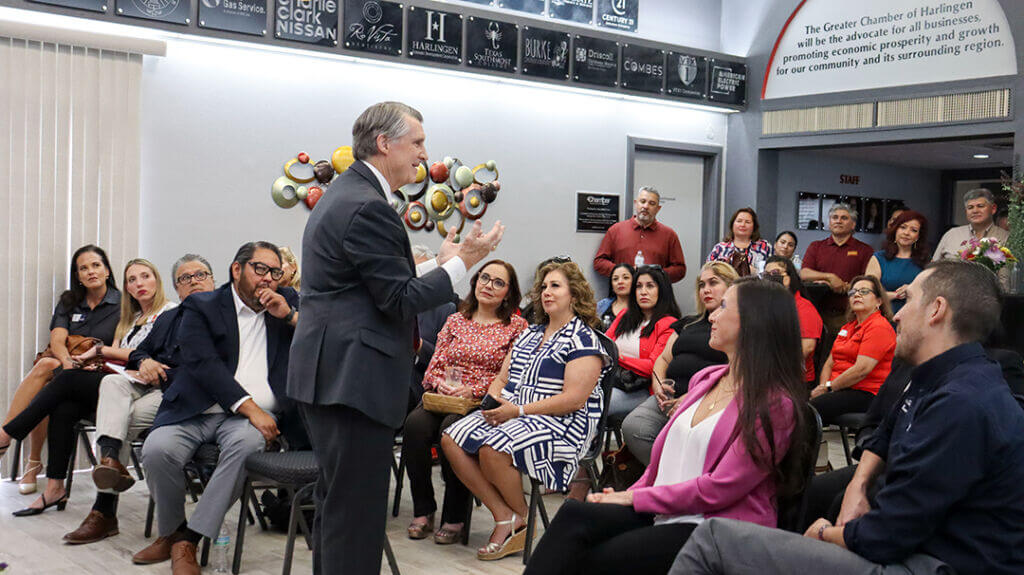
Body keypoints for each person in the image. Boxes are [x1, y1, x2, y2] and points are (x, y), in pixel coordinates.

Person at [673, 261, 1024, 575]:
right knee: (810, 503)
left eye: (909, 301)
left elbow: (887, 535)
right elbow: (885, 432)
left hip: (933, 562)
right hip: (914, 544)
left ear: (936, 310)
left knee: (714, 540)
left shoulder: (961, 404)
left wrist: (825, 535)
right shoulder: (940, 376)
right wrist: (858, 484)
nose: (897, 314)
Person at [286, 101, 503, 575]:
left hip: (332, 373)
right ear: (385, 143)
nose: (425, 154)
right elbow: (399, 299)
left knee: (339, 508)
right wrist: (465, 262)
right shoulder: (368, 206)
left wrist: (441, 264)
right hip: (353, 380)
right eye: (418, 142)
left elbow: (366, 286)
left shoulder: (347, 195)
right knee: (356, 516)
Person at [524, 277, 807, 575]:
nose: (712, 314)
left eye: (723, 306)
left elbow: (719, 489)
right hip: (668, 511)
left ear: (754, 321)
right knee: (575, 514)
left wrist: (633, 497)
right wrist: (627, 494)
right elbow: (662, 464)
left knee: (597, 557)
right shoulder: (707, 379)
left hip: (717, 528)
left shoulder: (775, 404)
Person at [139, 242, 299, 575]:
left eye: (275, 272)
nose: (268, 279)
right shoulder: (202, 305)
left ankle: (189, 540)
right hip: (197, 409)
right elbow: (203, 363)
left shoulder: (288, 304)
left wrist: (290, 316)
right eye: (260, 269)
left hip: (245, 426)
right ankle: (172, 531)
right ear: (237, 269)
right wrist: (251, 408)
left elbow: (321, 340)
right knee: (157, 450)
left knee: (247, 446)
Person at [442, 261, 611, 561]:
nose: (546, 292)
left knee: (492, 448)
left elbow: (573, 400)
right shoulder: (530, 334)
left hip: (560, 424)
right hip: (513, 413)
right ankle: (507, 516)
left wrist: (518, 411)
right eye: (544, 286)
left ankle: (519, 520)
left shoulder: (584, 339)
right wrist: (492, 404)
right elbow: (503, 378)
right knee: (451, 437)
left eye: (555, 286)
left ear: (575, 294)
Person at [60, 255, 216, 546]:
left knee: (118, 420)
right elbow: (141, 351)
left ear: (214, 281)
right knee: (112, 382)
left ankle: (104, 509)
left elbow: (213, 369)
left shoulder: (226, 318)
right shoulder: (171, 317)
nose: (194, 282)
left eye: (201, 275)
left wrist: (165, 371)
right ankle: (109, 462)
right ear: (177, 289)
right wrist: (145, 361)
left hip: (191, 397)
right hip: (159, 389)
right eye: (185, 278)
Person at [0, 258, 174, 515]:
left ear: (157, 280)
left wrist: (101, 350)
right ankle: (55, 488)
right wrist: (97, 359)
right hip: (118, 381)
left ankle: (5, 436)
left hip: (143, 389)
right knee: (64, 406)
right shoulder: (131, 317)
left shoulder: (170, 313)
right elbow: (118, 355)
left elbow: (147, 356)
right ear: (126, 287)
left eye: (145, 276)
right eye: (132, 280)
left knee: (67, 379)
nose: (139, 284)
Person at [403, 260, 527, 544]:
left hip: (483, 401)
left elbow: (512, 375)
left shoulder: (516, 327)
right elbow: (435, 363)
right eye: (484, 278)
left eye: (498, 282)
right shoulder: (456, 319)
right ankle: (424, 510)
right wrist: (441, 383)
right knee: (414, 427)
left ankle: (455, 516)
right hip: (445, 394)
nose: (488, 285)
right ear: (474, 282)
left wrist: (474, 391)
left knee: (451, 432)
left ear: (508, 293)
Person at [0, 245, 121, 495]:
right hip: (64, 366)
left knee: (47, 370)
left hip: (96, 373)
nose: (90, 272)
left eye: (96, 265)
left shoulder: (123, 303)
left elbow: (118, 347)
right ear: (77, 276)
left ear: (107, 270)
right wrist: (67, 362)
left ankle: (6, 439)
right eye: (83, 268)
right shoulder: (69, 301)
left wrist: (77, 364)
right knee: (48, 370)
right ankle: (33, 462)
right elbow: (57, 340)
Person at [621, 262, 735, 465]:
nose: (706, 289)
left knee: (684, 437)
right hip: (668, 397)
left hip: (706, 400)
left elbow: (732, 372)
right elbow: (663, 359)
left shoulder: (735, 326)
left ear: (731, 287)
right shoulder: (688, 323)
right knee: (633, 427)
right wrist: (659, 387)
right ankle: (669, 478)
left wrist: (691, 398)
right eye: (701, 285)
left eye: (713, 283)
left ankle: (681, 482)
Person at [810, 275, 895, 426]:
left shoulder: (879, 327)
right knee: (796, 404)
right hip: (839, 389)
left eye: (864, 291)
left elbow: (861, 370)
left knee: (808, 411)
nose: (856, 295)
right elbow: (830, 363)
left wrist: (829, 388)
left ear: (879, 301)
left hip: (867, 394)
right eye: (852, 292)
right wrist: (823, 387)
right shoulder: (847, 327)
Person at [605, 265, 680, 423]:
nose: (643, 292)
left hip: (641, 390)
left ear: (662, 290)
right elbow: (604, 343)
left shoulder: (668, 324)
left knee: (595, 403)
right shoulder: (625, 315)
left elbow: (653, 366)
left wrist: (617, 356)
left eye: (650, 286)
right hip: (612, 380)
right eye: (638, 286)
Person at [800, 203, 874, 333]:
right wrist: (830, 277)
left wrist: (845, 287)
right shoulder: (816, 246)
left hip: (850, 315)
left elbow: (869, 282)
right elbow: (804, 273)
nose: (838, 221)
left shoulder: (865, 250)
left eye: (844, 218)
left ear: (853, 225)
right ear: (829, 223)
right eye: (834, 217)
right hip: (817, 313)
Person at [593, 186, 686, 283]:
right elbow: (599, 262)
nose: (646, 206)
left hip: (655, 295)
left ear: (658, 209)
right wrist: (623, 272)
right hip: (622, 295)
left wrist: (657, 274)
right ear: (635, 203)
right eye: (642, 201)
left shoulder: (669, 235)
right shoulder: (615, 230)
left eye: (652, 203)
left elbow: (680, 270)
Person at [409, 245, 458, 413]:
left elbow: (447, 361)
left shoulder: (446, 309)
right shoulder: (390, 303)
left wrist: (419, 345)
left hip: (418, 379)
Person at [765, 255, 822, 384]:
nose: (771, 278)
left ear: (789, 277)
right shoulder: (766, 304)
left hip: (791, 377)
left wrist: (773, 369)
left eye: (775, 273)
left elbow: (806, 348)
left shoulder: (804, 307)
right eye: (766, 274)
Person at [866, 210, 929, 314]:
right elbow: (867, 291)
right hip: (882, 317)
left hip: (914, 318)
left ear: (918, 236)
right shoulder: (879, 258)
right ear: (895, 229)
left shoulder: (926, 261)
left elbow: (933, 292)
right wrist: (895, 295)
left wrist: (912, 289)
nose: (906, 233)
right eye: (903, 227)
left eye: (913, 230)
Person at [933, 188, 1009, 261]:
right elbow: (932, 268)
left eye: (980, 206)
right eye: (970, 207)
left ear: (993, 209)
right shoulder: (951, 235)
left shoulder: (1005, 237)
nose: (975, 211)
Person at [705, 208, 772, 276]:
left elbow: (772, 272)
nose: (743, 225)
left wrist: (756, 272)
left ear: (754, 226)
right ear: (732, 224)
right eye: (739, 221)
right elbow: (707, 271)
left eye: (747, 222)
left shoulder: (765, 246)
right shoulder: (719, 248)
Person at [597, 263, 633, 330]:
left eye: (625, 278)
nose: (620, 282)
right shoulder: (602, 305)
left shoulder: (641, 308)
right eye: (615, 279)